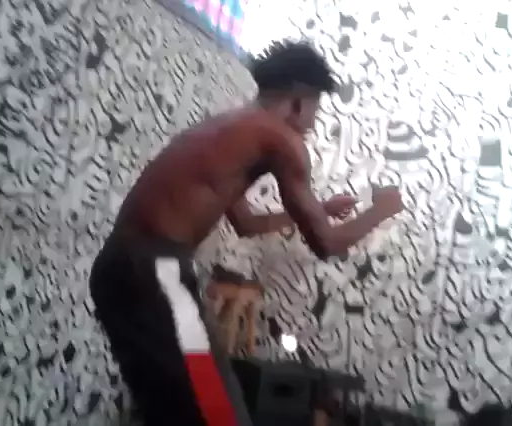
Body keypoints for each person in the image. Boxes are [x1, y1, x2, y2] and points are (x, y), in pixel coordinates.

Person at [89, 40, 404, 426]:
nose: (312, 124)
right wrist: (381, 210)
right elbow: (327, 244)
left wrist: (319, 210)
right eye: (315, 109)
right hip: (154, 270)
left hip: (119, 270)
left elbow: (246, 224)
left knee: (179, 413)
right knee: (220, 414)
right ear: (298, 101)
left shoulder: (228, 128)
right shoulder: (280, 139)